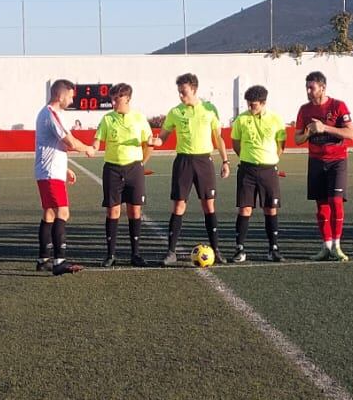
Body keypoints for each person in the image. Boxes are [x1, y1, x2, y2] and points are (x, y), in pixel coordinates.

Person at [159, 73, 228, 265]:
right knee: (179, 206)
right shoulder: (175, 112)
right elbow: (163, 137)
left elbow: (218, 137)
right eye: (179, 93)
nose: (181, 96)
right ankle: (171, 252)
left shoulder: (209, 109)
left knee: (209, 205)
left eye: (184, 92)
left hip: (204, 162)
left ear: (194, 89)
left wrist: (225, 161)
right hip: (183, 162)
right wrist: (154, 141)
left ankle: (216, 250)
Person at [35, 79, 99, 274]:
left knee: (50, 213)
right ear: (60, 95)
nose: (72, 100)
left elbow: (54, 146)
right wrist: (87, 149)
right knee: (63, 213)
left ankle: (43, 259)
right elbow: (69, 141)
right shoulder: (51, 114)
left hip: (50, 171)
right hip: (49, 174)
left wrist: (64, 168)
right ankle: (59, 262)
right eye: (71, 96)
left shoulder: (49, 114)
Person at [94, 83, 157, 267]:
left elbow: (149, 142)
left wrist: (141, 164)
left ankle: (135, 254)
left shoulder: (139, 118)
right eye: (112, 98)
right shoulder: (107, 119)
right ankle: (110, 254)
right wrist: (93, 147)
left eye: (116, 98)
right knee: (113, 210)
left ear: (127, 98)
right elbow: (98, 139)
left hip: (134, 169)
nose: (113, 102)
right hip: (112, 169)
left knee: (134, 210)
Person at [292, 70, 353, 260]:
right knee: (321, 206)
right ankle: (326, 246)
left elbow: (351, 134)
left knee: (336, 202)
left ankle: (337, 245)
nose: (309, 91)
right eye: (307, 88)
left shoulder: (338, 105)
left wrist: (325, 127)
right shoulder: (304, 110)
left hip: (337, 161)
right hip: (316, 161)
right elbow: (297, 139)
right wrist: (309, 132)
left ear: (323, 87)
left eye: (312, 87)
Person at [229, 85, 289, 262]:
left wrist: (270, 159)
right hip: (247, 169)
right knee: (245, 208)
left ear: (263, 103)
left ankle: (273, 248)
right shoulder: (241, 119)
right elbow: (236, 143)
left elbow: (281, 144)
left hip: (268, 170)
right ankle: (239, 249)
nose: (250, 107)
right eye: (248, 104)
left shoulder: (275, 119)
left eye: (253, 104)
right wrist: (248, 157)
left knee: (270, 208)